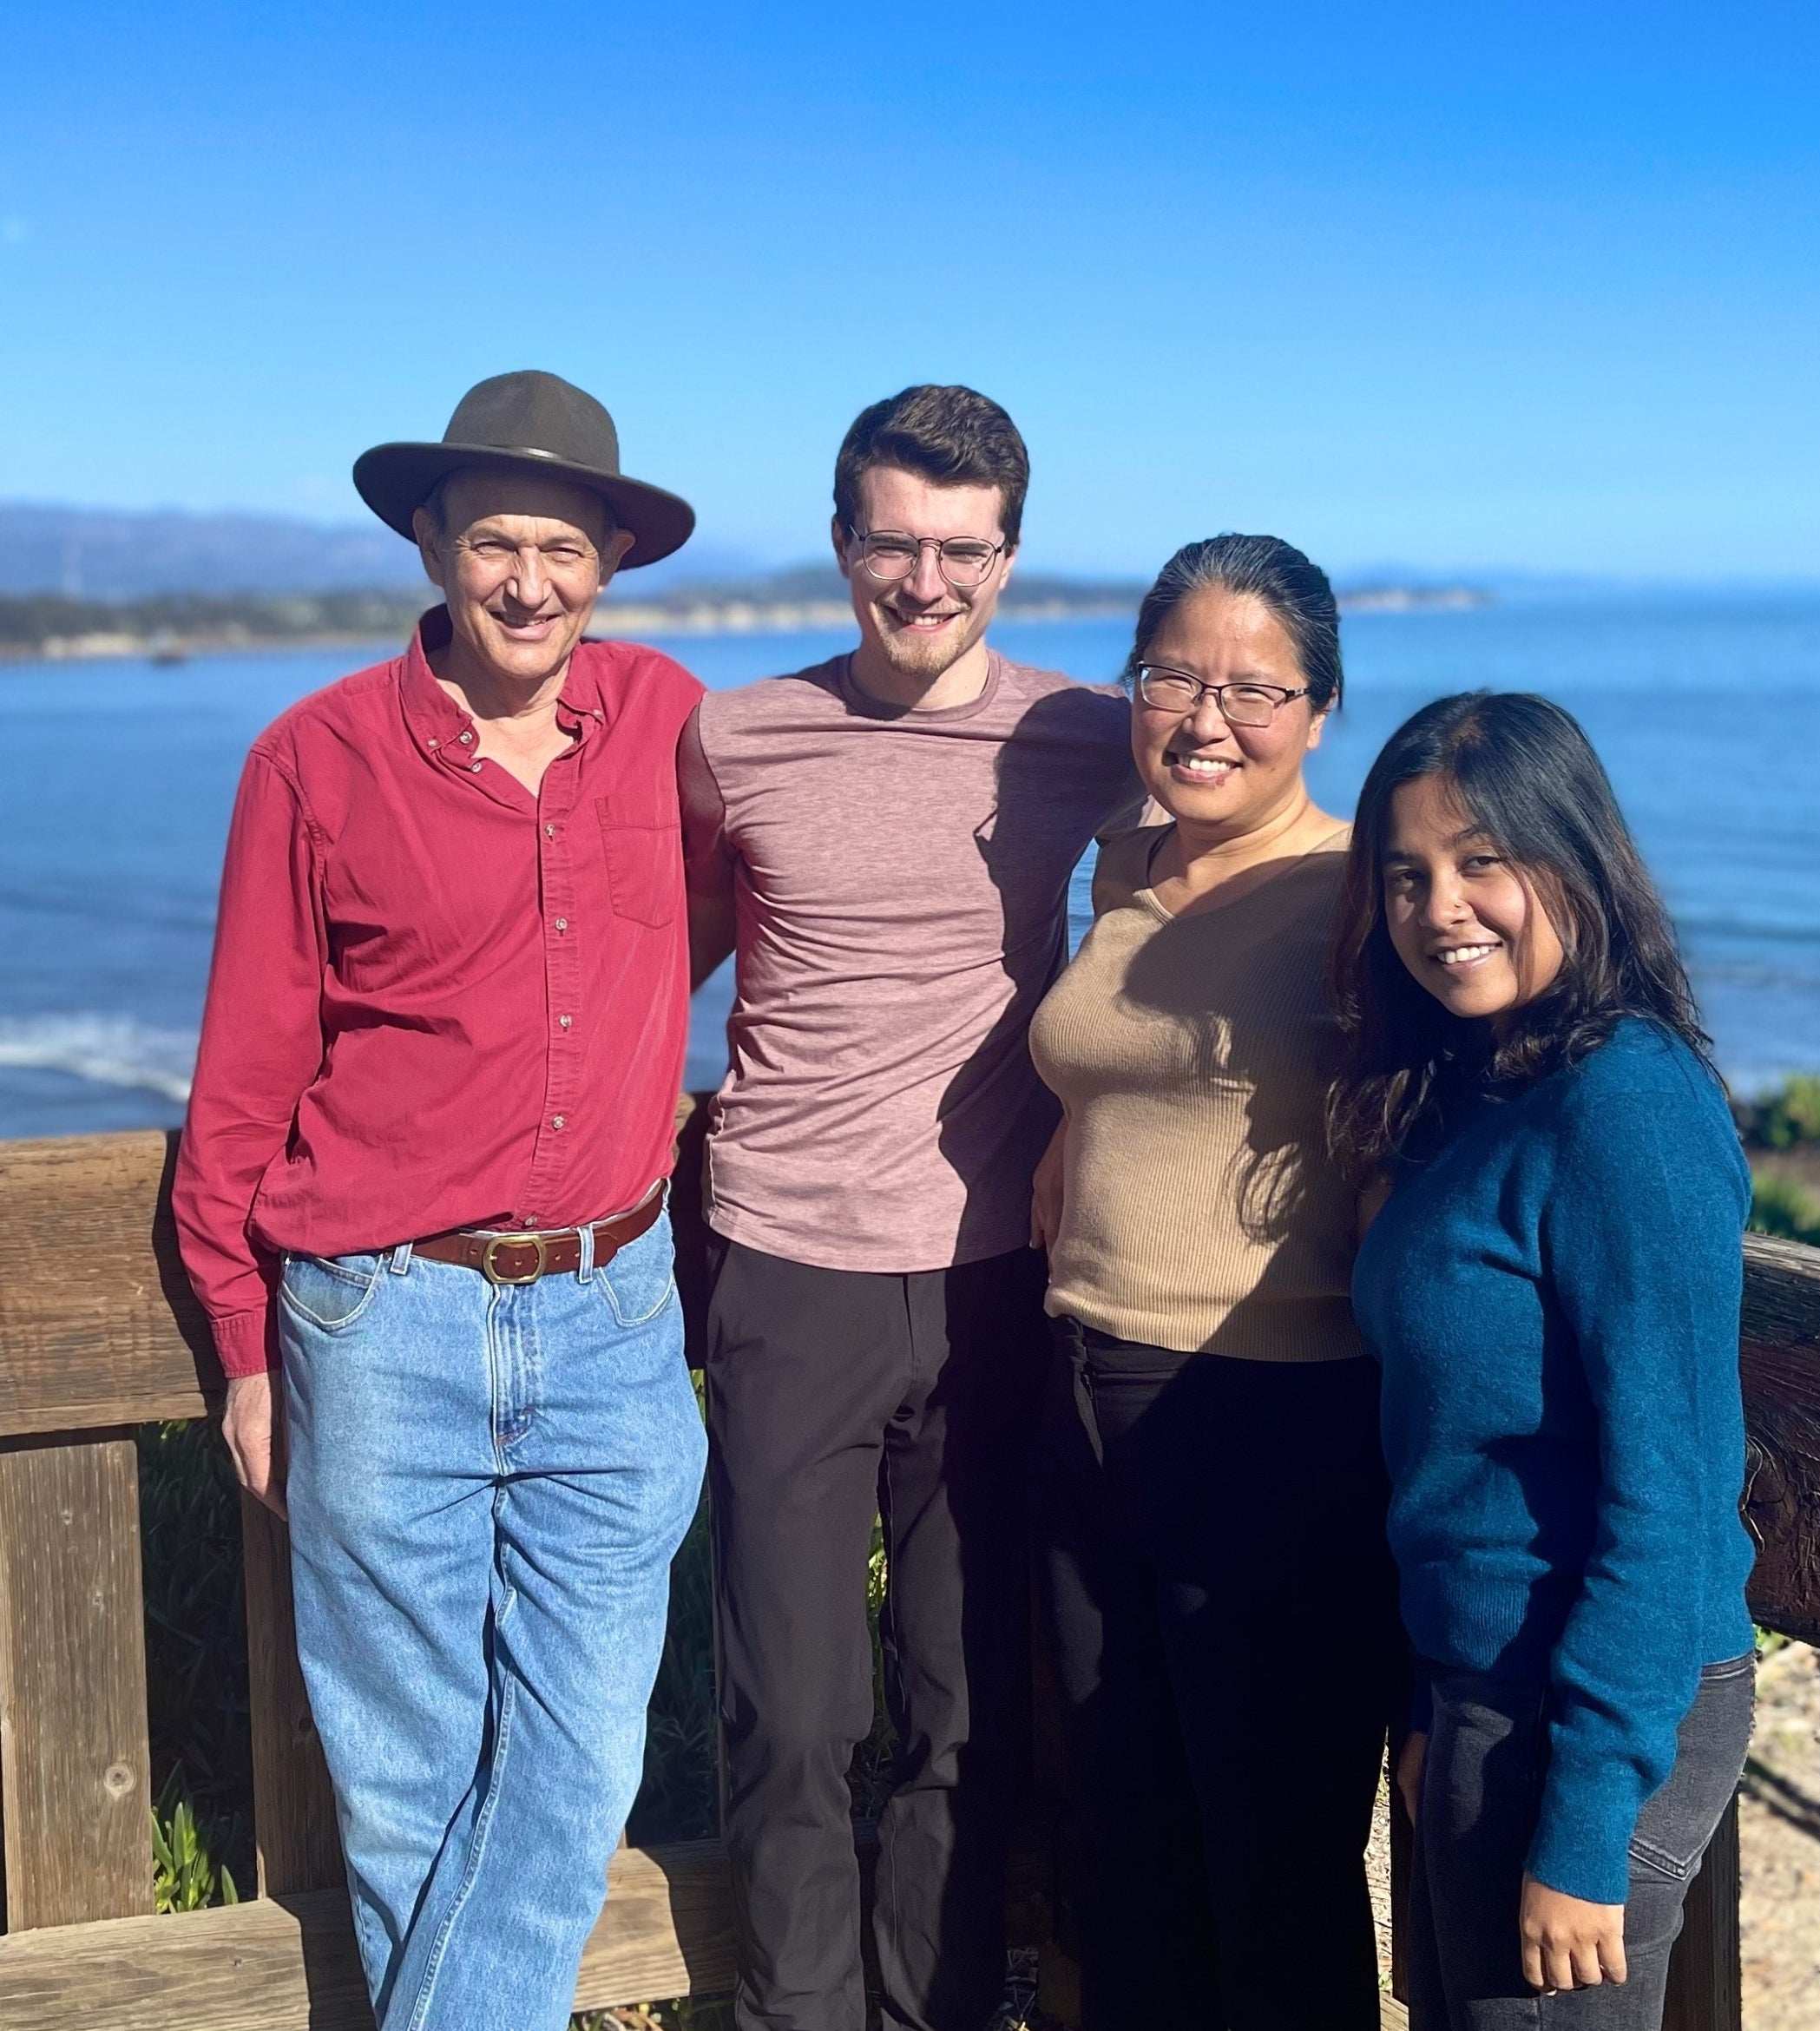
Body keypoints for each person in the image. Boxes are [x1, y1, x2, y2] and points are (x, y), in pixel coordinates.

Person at [174, 371, 711, 2031]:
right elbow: (244, 1086)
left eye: (563, 546)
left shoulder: (680, 722)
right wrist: (246, 1353)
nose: (529, 581)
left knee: (577, 1751)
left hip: (616, 1311)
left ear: (610, 559)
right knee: (406, 1782)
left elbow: (807, 908)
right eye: (495, 544)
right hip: (377, 1313)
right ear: (433, 543)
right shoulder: (314, 761)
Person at [680, 385, 1143, 2031]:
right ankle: (799, 2015)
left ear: (1009, 557)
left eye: (963, 549)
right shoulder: (734, 739)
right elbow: (640, 962)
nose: (925, 580)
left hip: (996, 1279)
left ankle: (933, 2008)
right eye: (895, 542)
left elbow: (1212, 880)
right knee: (792, 1713)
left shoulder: (1085, 733)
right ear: (841, 544)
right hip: (788, 1267)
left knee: (961, 1708)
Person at [1027, 533, 1404, 2031]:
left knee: (1276, 1863)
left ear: (1321, 712)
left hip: (1275, 1417)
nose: (1205, 716)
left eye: (1256, 688)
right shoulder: (1130, 857)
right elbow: (1116, 1081)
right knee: (1123, 1845)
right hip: (1084, 1386)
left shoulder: (1361, 898)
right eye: (1172, 674)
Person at [1335, 692, 1757, 2029]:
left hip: (1594, 1716)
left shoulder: (1627, 1106)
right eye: (1406, 875)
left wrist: (1583, 1828)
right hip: (1485, 1693)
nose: (1441, 907)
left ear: (1571, 860)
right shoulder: (1479, 1089)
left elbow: (1672, 1502)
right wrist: (1438, 1701)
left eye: (1480, 862)